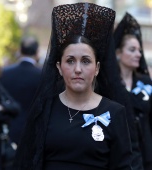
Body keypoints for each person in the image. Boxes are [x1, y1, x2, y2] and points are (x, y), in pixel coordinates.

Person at [14, 3, 133, 170]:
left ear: (97, 68)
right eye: (70, 61)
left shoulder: (114, 113)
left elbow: (122, 166)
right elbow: (27, 161)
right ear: (58, 68)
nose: (78, 69)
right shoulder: (44, 109)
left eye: (85, 61)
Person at [114, 12, 152, 170]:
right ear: (118, 53)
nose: (138, 54)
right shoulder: (111, 86)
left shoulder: (146, 83)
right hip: (121, 155)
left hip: (148, 154)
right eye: (132, 50)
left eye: (139, 50)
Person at [0, 36, 42, 145]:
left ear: (20, 51)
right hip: (33, 131)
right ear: (37, 52)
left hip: (8, 130)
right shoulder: (42, 75)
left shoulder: (4, 73)